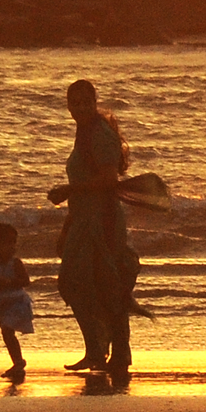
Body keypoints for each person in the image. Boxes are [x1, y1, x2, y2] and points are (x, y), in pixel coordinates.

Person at [47, 79, 139, 380]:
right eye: (77, 102)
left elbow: (109, 180)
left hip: (104, 221)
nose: (82, 107)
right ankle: (98, 350)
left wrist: (68, 190)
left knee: (104, 286)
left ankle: (117, 353)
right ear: (69, 105)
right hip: (84, 220)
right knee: (80, 284)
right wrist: (66, 226)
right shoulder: (83, 131)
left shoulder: (100, 134)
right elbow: (87, 185)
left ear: (95, 102)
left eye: (88, 101)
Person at [0, 221, 35, 383]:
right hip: (2, 304)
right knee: (7, 333)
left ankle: (18, 361)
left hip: (17, 301)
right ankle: (17, 361)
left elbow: (25, 281)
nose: (12, 247)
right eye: (8, 243)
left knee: (7, 331)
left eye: (14, 242)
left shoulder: (15, 263)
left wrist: (9, 282)